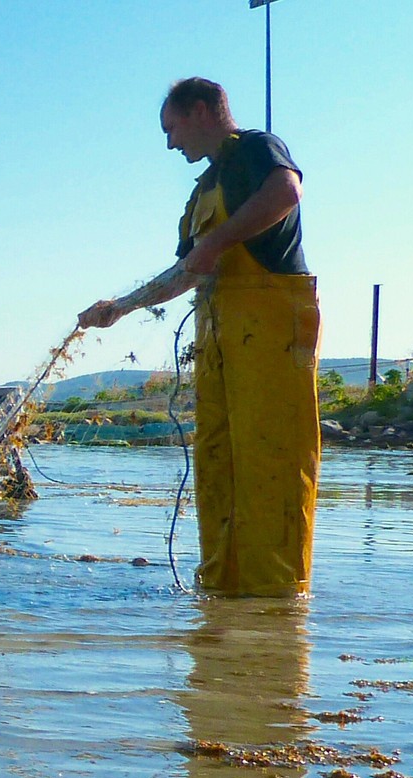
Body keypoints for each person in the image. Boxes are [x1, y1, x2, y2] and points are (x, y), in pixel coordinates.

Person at [78, 78, 320, 596]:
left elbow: (287, 191)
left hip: (273, 333)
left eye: (172, 128)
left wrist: (219, 240)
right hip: (220, 344)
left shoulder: (257, 149)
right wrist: (120, 308)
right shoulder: (202, 189)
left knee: (272, 463)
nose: (170, 144)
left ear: (203, 110)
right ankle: (225, 602)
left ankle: (279, 605)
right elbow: (188, 269)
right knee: (217, 466)